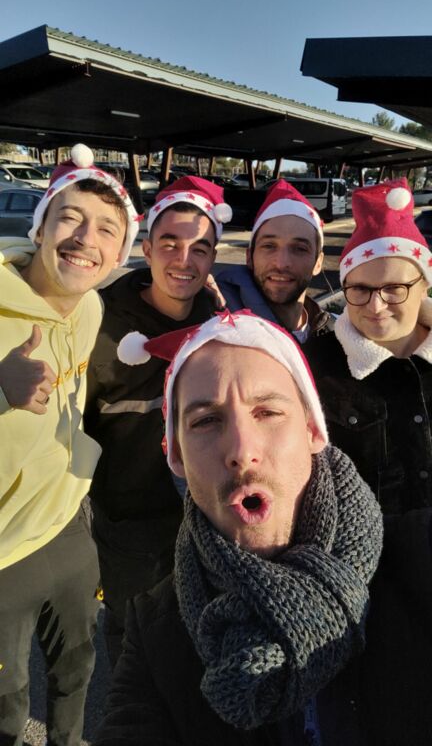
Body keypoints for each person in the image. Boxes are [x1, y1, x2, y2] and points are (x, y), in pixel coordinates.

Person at [94, 310, 383, 746]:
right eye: (206, 421)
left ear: (312, 430)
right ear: (176, 456)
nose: (242, 450)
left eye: (267, 412)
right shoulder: (155, 631)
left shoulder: (416, 563)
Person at [0, 144, 139, 746]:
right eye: (71, 218)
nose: (85, 238)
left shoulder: (91, 309)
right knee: (7, 704)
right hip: (3, 553)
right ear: (41, 228)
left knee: (77, 673)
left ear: (119, 253)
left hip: (68, 529)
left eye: (107, 228)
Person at [84, 176, 232, 666]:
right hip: (130, 532)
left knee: (199, 646)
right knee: (136, 649)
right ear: (146, 249)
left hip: (206, 522)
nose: (183, 259)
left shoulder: (218, 321)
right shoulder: (98, 324)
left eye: (199, 248)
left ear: (212, 259)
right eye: (169, 243)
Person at [304, 178, 432, 743]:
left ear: (423, 283)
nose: (376, 306)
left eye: (395, 288)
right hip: (368, 595)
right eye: (359, 290)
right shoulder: (317, 367)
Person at [216, 179, 332, 342]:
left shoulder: (337, 338)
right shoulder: (216, 331)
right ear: (249, 257)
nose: (281, 263)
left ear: (318, 262)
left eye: (300, 249)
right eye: (269, 246)